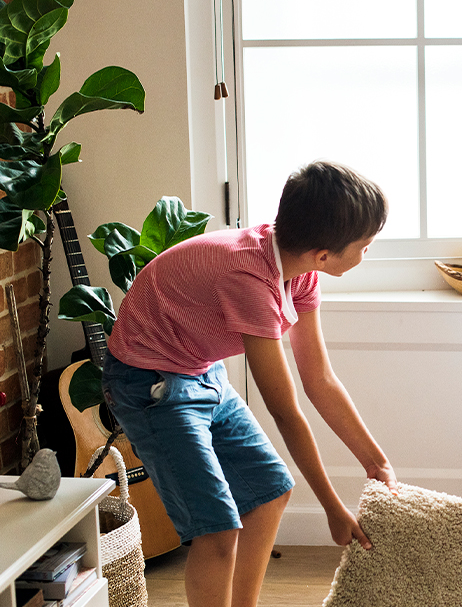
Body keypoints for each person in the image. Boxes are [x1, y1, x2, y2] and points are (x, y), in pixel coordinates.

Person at [101, 161, 398, 607]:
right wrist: (333, 508)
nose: (366, 254)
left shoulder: (300, 270)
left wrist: (375, 463)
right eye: (365, 246)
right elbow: (285, 411)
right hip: (151, 383)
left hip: (200, 369)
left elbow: (319, 379)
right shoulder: (249, 279)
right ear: (323, 253)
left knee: (270, 492)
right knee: (217, 528)